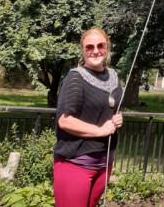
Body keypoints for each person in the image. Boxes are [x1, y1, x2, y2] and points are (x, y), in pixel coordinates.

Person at [53, 28, 124, 207]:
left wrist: (118, 118)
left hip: (104, 162)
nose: (95, 51)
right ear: (83, 50)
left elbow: (107, 110)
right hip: (75, 163)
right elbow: (64, 120)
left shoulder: (114, 77)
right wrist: (100, 131)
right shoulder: (76, 78)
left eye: (100, 45)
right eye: (89, 47)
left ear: (107, 47)